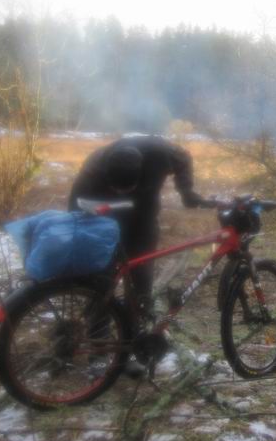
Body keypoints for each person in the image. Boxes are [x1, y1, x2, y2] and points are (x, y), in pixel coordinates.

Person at [68, 135, 203, 315]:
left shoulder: (159, 152)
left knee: (142, 270)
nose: (122, 192)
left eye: (127, 188)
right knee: (103, 275)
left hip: (143, 216)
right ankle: (98, 329)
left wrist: (186, 190)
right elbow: (75, 205)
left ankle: (139, 320)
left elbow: (183, 158)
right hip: (108, 220)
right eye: (117, 189)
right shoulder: (94, 168)